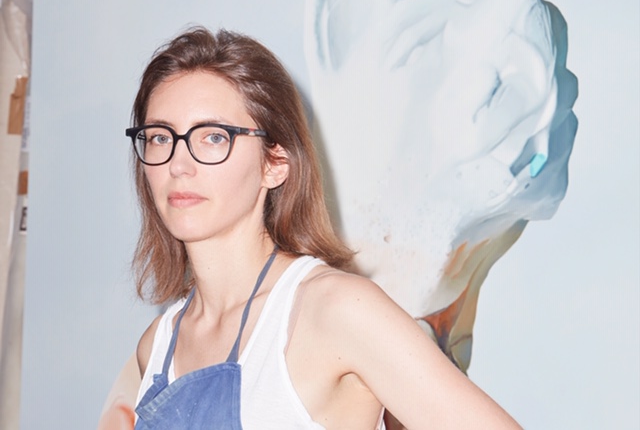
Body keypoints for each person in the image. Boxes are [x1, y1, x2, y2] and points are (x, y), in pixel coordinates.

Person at [108, 26, 521, 429]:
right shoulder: (158, 345)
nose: (179, 165)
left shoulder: (334, 310)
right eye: (160, 137)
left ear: (275, 164)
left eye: (214, 137)